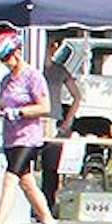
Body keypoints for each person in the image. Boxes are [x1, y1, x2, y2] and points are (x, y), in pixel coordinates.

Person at [0, 29, 61, 224]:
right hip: (10, 137)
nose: (7, 62)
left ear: (18, 51)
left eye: (9, 57)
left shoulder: (33, 76)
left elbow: (44, 106)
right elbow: (2, 104)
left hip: (28, 137)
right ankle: (49, 222)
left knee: (9, 179)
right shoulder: (6, 80)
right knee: (27, 182)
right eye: (3, 59)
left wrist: (20, 112)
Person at [38, 35, 86, 213]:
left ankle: (48, 204)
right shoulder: (35, 69)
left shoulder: (59, 70)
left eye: (52, 46)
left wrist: (68, 120)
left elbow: (77, 96)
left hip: (53, 121)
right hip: (34, 120)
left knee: (51, 167)